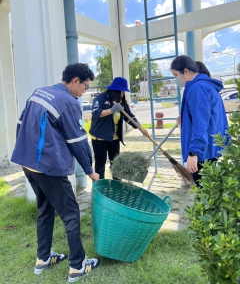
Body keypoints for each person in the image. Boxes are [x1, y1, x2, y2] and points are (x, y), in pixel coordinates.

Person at [11, 63, 100, 282]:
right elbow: (78, 140)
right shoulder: (68, 102)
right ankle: (78, 266)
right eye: (86, 87)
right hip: (49, 168)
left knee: (45, 209)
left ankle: (43, 258)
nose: (84, 92)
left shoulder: (39, 92)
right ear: (75, 81)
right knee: (70, 215)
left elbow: (20, 124)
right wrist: (90, 170)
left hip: (29, 164)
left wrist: (23, 153)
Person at [170, 55, 229, 187]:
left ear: (185, 71)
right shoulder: (204, 85)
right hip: (210, 146)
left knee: (204, 191)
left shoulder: (198, 88)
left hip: (203, 151)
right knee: (208, 189)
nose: (176, 80)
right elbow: (206, 115)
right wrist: (185, 117)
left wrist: (193, 153)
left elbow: (200, 123)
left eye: (175, 75)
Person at [90, 77, 149, 179]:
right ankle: (100, 188)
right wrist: (112, 110)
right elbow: (96, 113)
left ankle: (117, 186)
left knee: (116, 163)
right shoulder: (101, 98)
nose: (123, 94)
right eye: (122, 91)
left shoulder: (121, 101)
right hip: (100, 137)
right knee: (100, 164)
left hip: (114, 138)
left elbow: (129, 116)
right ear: (116, 91)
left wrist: (139, 126)